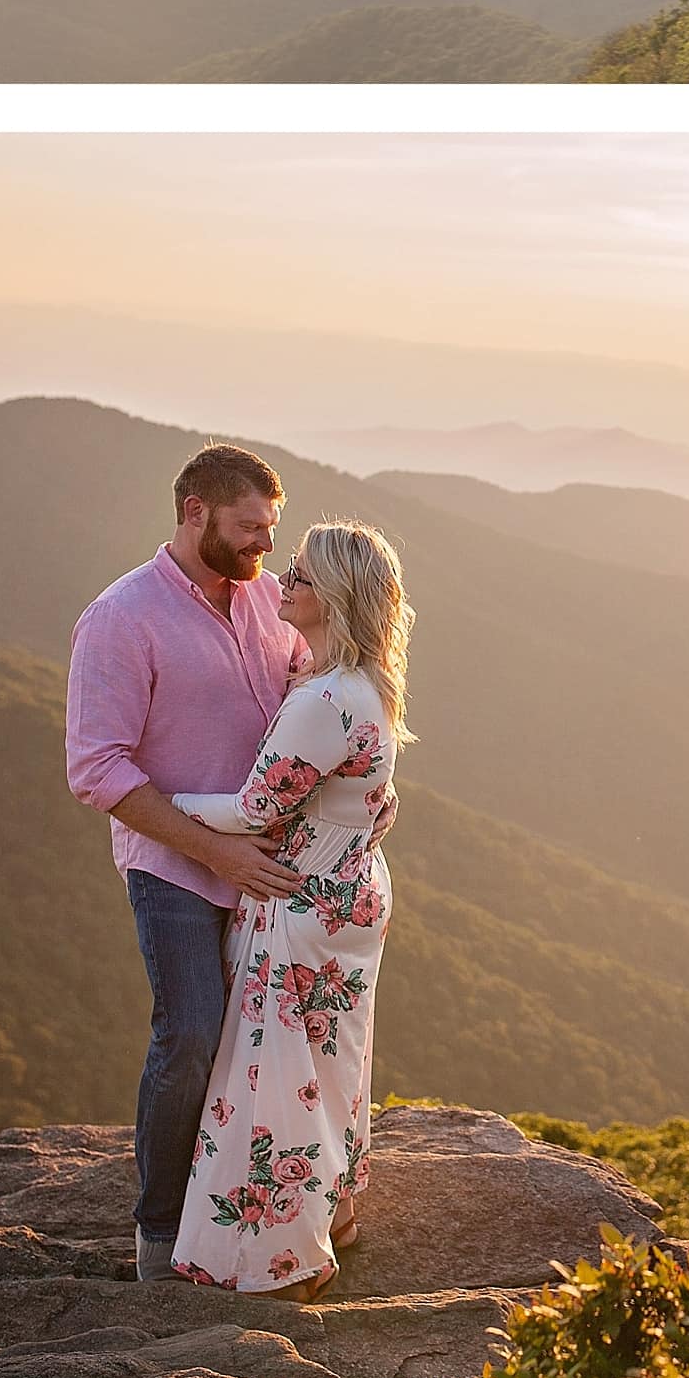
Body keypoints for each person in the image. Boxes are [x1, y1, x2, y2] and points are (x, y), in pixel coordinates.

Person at [65, 444, 310, 1283]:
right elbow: (97, 770)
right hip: (174, 865)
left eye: (270, 531)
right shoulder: (119, 617)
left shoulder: (271, 599)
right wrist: (219, 855)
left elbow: (310, 695)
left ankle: (236, 1219)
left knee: (266, 1043)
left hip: (272, 865)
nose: (264, 549)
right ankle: (160, 1234)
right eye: (249, 528)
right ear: (195, 511)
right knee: (194, 1034)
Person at [168, 522, 412, 1298]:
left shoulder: (327, 699)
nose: (282, 582)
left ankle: (275, 1257)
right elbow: (368, 792)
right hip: (352, 891)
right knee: (330, 1064)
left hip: (301, 902)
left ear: (333, 595)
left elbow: (253, 806)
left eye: (299, 575)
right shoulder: (365, 682)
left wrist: (158, 800)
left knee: (275, 1071)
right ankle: (331, 1211)